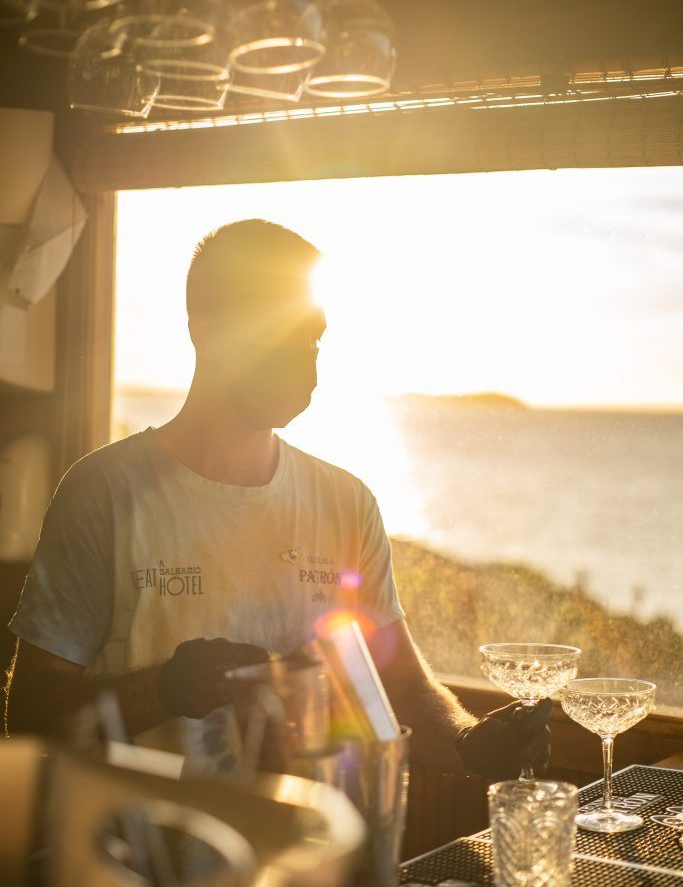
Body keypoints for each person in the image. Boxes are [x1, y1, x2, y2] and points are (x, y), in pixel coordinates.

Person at [5, 219, 550, 779]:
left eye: (312, 338)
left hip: (316, 854)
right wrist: (164, 688)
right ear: (206, 330)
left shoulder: (345, 502)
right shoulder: (104, 492)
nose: (304, 361)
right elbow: (32, 713)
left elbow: (400, 687)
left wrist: (467, 740)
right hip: (145, 860)